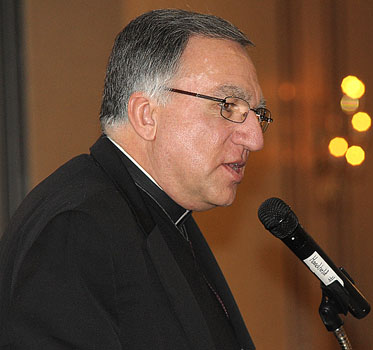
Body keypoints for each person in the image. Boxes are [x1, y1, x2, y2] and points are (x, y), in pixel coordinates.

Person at [0, 9, 272, 350]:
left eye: (257, 114)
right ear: (146, 115)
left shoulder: (158, 210)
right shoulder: (77, 227)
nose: (254, 138)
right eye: (229, 106)